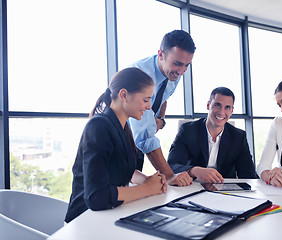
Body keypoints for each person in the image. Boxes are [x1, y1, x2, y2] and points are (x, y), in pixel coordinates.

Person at [65, 68, 167, 223]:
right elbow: (96, 197)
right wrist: (146, 189)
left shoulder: (123, 127)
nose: (149, 107)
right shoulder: (98, 126)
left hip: (109, 216)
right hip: (84, 221)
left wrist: (147, 181)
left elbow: (120, 169)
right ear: (124, 95)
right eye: (146, 100)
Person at [129, 30, 196, 186]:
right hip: (119, 142)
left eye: (187, 65)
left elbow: (164, 96)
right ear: (160, 55)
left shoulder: (173, 73)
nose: (181, 71)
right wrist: (170, 176)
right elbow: (145, 137)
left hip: (136, 145)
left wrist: (160, 118)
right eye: (177, 63)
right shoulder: (140, 76)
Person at [168, 87, 258, 183]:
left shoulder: (239, 137)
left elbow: (249, 175)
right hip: (193, 187)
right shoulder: (188, 130)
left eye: (227, 107)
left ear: (232, 111)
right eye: (217, 105)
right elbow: (171, 165)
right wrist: (195, 170)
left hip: (226, 191)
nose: (221, 112)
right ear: (208, 105)